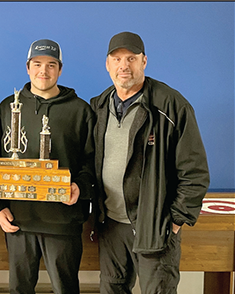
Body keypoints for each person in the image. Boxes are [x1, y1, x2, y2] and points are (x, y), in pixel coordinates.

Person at [90, 31, 210, 294]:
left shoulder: (171, 105)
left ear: (144, 61)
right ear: (107, 64)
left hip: (155, 227)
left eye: (131, 58)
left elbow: (195, 171)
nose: (124, 66)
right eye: (117, 59)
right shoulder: (98, 107)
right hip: (111, 226)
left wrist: (176, 220)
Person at [0, 39, 96, 294]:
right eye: (37, 64)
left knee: (65, 289)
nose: (43, 71)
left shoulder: (80, 111)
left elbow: (92, 161)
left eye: (51, 65)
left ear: (60, 69)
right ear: (28, 67)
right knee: (19, 289)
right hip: (19, 222)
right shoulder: (8, 108)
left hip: (63, 221)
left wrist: (80, 187)